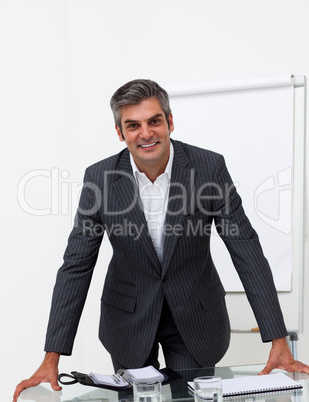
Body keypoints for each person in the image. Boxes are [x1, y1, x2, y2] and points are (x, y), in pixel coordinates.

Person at [14, 79, 309, 401]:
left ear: (169, 121)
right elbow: (76, 266)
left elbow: (246, 250)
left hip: (196, 317)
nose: (146, 133)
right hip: (128, 318)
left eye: (154, 121)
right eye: (133, 125)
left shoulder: (208, 168)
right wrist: (52, 356)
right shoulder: (99, 178)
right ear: (119, 132)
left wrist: (278, 340)